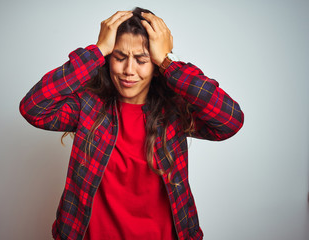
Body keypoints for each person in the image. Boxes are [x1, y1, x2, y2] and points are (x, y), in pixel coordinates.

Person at [20, 7, 244, 240]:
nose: (129, 70)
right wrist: (96, 51)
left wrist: (169, 63)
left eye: (141, 60)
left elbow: (230, 121)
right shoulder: (88, 107)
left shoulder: (174, 111)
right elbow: (33, 107)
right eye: (119, 57)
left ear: (156, 66)